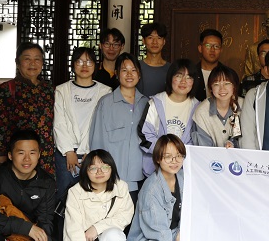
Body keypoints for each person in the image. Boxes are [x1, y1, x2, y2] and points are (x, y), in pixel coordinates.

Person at [62, 150, 134, 241]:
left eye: (105, 167)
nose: (100, 172)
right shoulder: (75, 192)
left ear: (111, 168)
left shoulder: (121, 187)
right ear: (85, 170)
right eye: (93, 168)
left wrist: (97, 227)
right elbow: (73, 231)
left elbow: (125, 215)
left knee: (115, 236)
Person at [125, 134, 185, 241]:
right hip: (150, 237)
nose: (175, 161)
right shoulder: (151, 189)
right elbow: (159, 231)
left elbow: (192, 211)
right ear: (158, 159)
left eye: (179, 156)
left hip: (175, 232)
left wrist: (181, 232)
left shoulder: (183, 177)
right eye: (168, 157)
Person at [53, 47, 112, 203]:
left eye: (89, 62)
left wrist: (90, 150)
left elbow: (103, 125)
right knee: (65, 197)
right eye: (79, 61)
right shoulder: (62, 90)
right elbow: (59, 122)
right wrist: (68, 151)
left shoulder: (105, 91)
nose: (84, 66)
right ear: (73, 64)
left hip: (92, 152)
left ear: (96, 65)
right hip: (66, 153)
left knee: (92, 196)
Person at [0, 42, 55, 175]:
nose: (32, 63)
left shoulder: (49, 89)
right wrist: (0, 155)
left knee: (44, 186)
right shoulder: (7, 89)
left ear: (42, 63)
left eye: (37, 59)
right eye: (27, 59)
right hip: (18, 156)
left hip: (45, 156)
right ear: (17, 63)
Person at [89, 53, 148, 202]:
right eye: (124, 70)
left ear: (139, 74)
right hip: (112, 177)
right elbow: (97, 141)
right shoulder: (105, 103)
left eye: (133, 70)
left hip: (142, 177)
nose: (129, 74)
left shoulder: (147, 104)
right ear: (116, 73)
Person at [139, 59, 201, 174]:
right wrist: (166, 153)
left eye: (189, 77)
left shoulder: (198, 108)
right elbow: (144, 135)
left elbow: (198, 140)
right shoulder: (156, 103)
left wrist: (178, 157)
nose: (183, 81)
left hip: (184, 170)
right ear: (170, 78)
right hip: (155, 169)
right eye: (179, 76)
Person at [192, 64, 242, 148]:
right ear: (210, 88)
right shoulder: (201, 112)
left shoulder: (244, 105)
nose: (222, 89)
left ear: (234, 86)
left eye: (227, 83)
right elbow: (203, 149)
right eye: (216, 84)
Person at [137, 22, 170, 97]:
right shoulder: (135, 67)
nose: (155, 42)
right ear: (143, 41)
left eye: (159, 38)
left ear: (164, 41)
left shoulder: (171, 69)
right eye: (150, 38)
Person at [194, 29, 224, 101]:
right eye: (208, 45)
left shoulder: (228, 74)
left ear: (221, 50)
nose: (212, 49)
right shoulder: (191, 73)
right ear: (200, 48)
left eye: (216, 46)